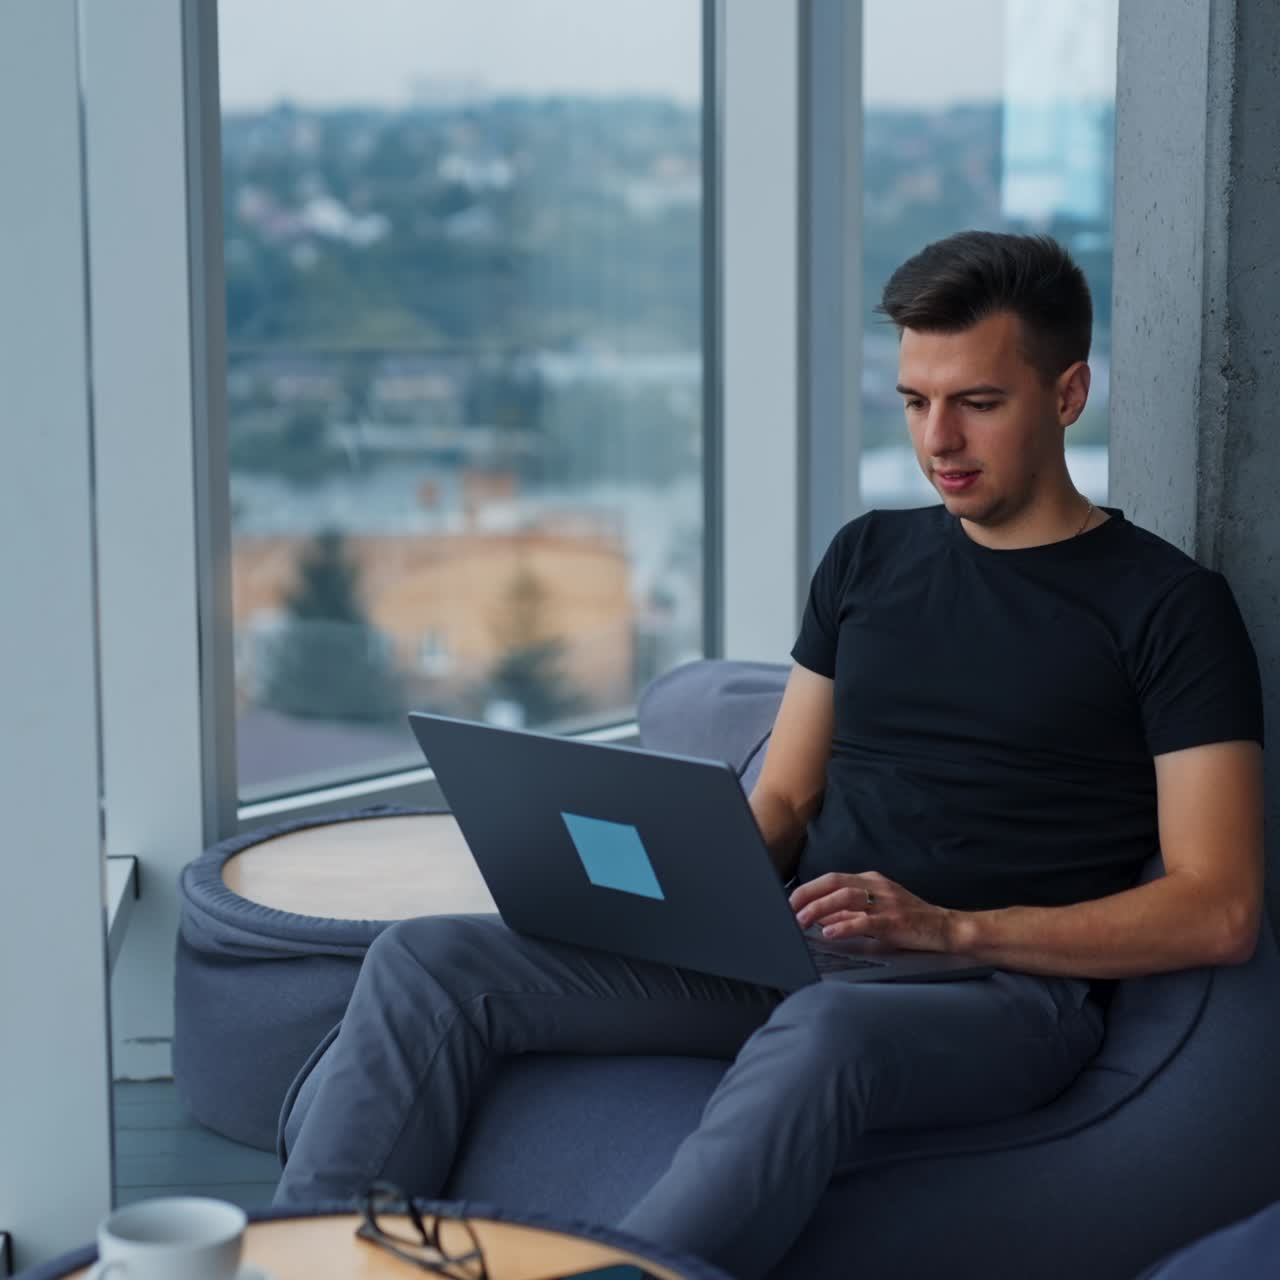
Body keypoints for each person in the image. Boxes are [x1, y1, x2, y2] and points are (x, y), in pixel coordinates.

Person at [274, 231, 1264, 1279]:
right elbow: (785, 792)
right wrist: (673, 897)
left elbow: (1218, 905)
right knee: (429, 960)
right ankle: (302, 1262)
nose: (939, 438)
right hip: (794, 945)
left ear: (1066, 393)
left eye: (976, 400)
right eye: (912, 400)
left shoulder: (1165, 606)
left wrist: (948, 926)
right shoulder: (867, 557)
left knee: (824, 1030)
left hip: (997, 989)